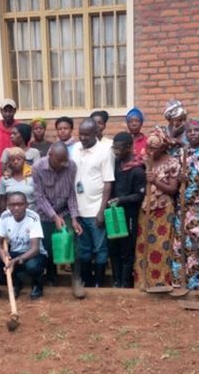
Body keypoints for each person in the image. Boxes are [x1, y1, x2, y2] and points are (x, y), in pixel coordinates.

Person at [32, 141, 85, 298]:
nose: (64, 164)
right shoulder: (38, 168)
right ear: (50, 155)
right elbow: (39, 197)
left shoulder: (71, 166)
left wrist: (74, 217)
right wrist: (53, 216)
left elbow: (71, 194)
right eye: (60, 160)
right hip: (45, 213)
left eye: (65, 160)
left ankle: (76, 279)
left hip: (65, 211)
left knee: (72, 241)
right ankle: (51, 277)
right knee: (48, 246)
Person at [71, 118, 115, 287]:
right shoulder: (75, 149)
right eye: (80, 134)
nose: (82, 137)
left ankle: (99, 283)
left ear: (96, 133)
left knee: (100, 249)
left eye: (86, 135)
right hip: (78, 211)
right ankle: (87, 282)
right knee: (84, 250)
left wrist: (101, 211)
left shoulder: (104, 152)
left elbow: (108, 183)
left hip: (95, 210)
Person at [172, 119, 199, 290]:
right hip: (184, 208)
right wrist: (179, 178)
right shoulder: (180, 155)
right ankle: (183, 283)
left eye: (197, 130)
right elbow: (173, 179)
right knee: (183, 245)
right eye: (189, 131)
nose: (193, 134)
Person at [134, 129, 179, 291]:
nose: (150, 151)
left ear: (163, 147)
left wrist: (155, 181)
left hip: (163, 210)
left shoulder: (172, 162)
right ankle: (142, 282)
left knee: (161, 247)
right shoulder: (145, 160)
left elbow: (173, 190)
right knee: (144, 247)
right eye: (148, 147)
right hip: (146, 210)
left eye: (154, 148)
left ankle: (160, 283)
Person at [0, 192, 46, 300]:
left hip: (32, 255)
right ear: (8, 206)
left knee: (33, 266)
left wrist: (16, 260)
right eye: (12, 205)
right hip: (14, 254)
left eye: (20, 204)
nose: (16, 208)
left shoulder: (33, 217)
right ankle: (15, 283)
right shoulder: (5, 216)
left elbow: (35, 248)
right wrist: (1, 252)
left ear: (27, 205)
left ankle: (37, 284)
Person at [108, 132, 145, 288]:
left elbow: (139, 195)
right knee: (113, 249)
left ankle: (125, 283)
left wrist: (122, 200)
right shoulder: (115, 165)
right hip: (113, 213)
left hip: (129, 215)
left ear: (129, 148)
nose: (116, 152)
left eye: (119, 149)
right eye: (114, 148)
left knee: (126, 250)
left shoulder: (137, 170)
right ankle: (116, 282)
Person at [0, 146, 36, 216]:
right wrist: (2, 217)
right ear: (9, 162)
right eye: (12, 160)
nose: (16, 162)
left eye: (19, 159)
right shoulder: (5, 179)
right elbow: (2, 200)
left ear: (24, 161)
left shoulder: (33, 177)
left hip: (31, 216)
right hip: (11, 217)